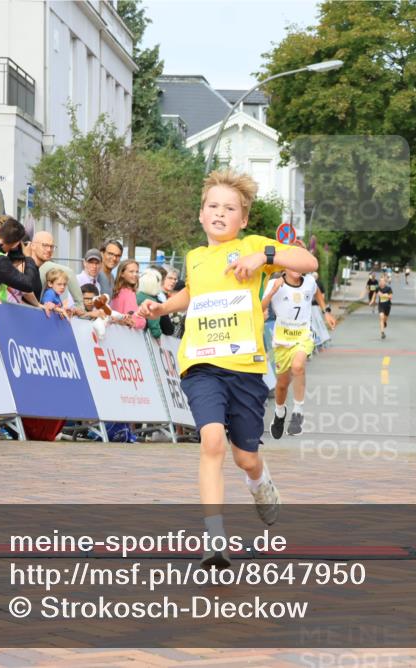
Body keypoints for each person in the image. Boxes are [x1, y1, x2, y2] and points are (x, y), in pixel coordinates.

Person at [137, 169, 317, 569]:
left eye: (229, 208)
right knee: (211, 441)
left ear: (244, 219)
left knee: (244, 457)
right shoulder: (196, 258)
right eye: (212, 206)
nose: (220, 213)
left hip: (246, 369)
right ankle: (215, 538)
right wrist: (163, 306)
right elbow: (192, 293)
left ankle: (259, 481)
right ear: (201, 215)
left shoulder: (253, 246)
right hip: (201, 365)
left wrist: (264, 256)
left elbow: (308, 260)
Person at [261, 266, 336, 438]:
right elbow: (260, 308)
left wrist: (326, 312)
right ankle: (280, 413)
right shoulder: (275, 283)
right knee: (281, 386)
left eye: (300, 266)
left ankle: (298, 412)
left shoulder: (309, 281)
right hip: (281, 341)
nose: (297, 270)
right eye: (293, 266)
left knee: (298, 366)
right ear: (285, 267)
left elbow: (317, 294)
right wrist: (273, 291)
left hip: (303, 335)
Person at [31, 230, 83, 311]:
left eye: (51, 246)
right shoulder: (27, 265)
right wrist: (80, 306)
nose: (49, 249)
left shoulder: (41, 268)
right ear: (33, 245)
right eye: (44, 245)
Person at [136, 266, 174, 339]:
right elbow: (155, 326)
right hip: (146, 339)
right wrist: (158, 334)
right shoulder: (153, 302)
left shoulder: (135, 296)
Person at [110, 259, 146, 331]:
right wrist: (141, 321)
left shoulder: (118, 291)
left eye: (137, 272)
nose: (135, 274)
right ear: (122, 274)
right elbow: (134, 320)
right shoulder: (127, 293)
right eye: (131, 271)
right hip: (124, 334)